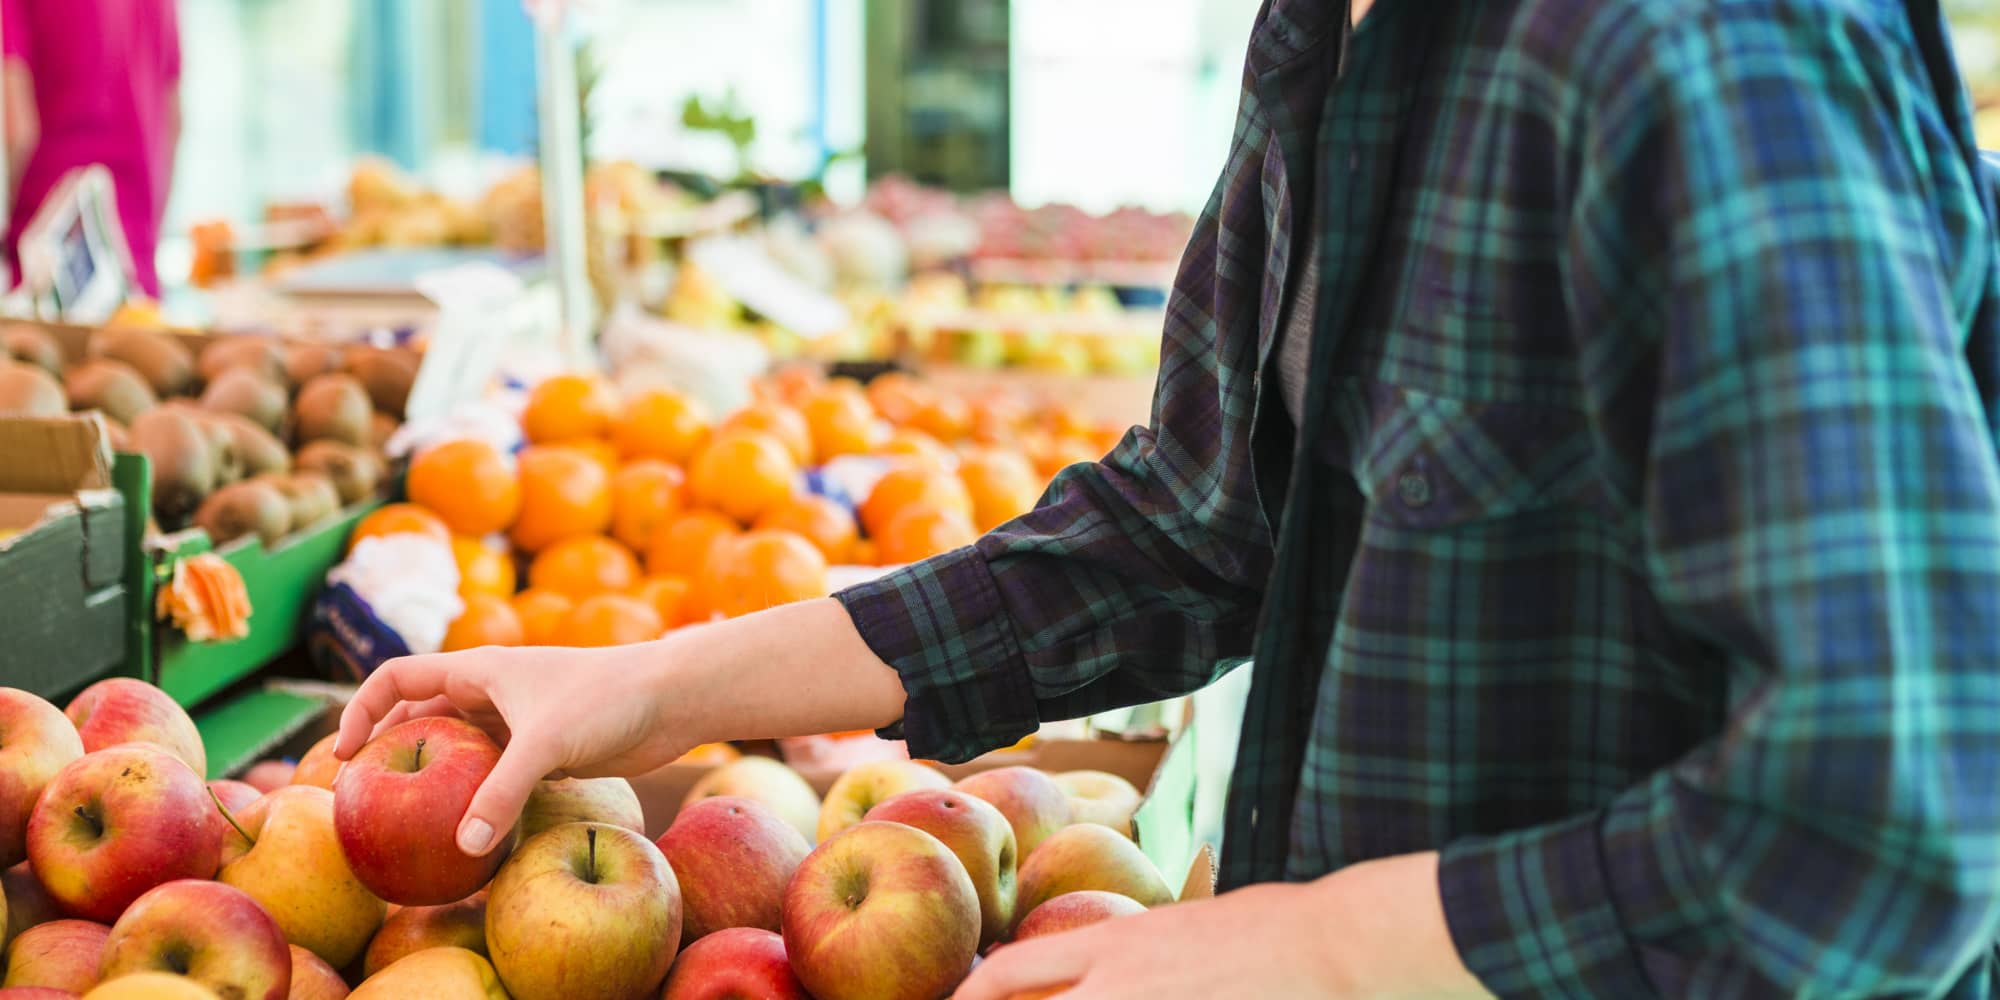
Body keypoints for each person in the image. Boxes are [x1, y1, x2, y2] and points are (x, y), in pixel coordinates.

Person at [338, 0, 2000, 996]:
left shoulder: (1685, 51)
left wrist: (1322, 952)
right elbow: (1192, 525)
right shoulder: (1338, 33)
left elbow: (1892, 816)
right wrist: (659, 686)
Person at [2, 0, 182, 296]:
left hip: (49, 275)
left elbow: (16, 129)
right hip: (134, 268)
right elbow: (173, 122)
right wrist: (140, 239)